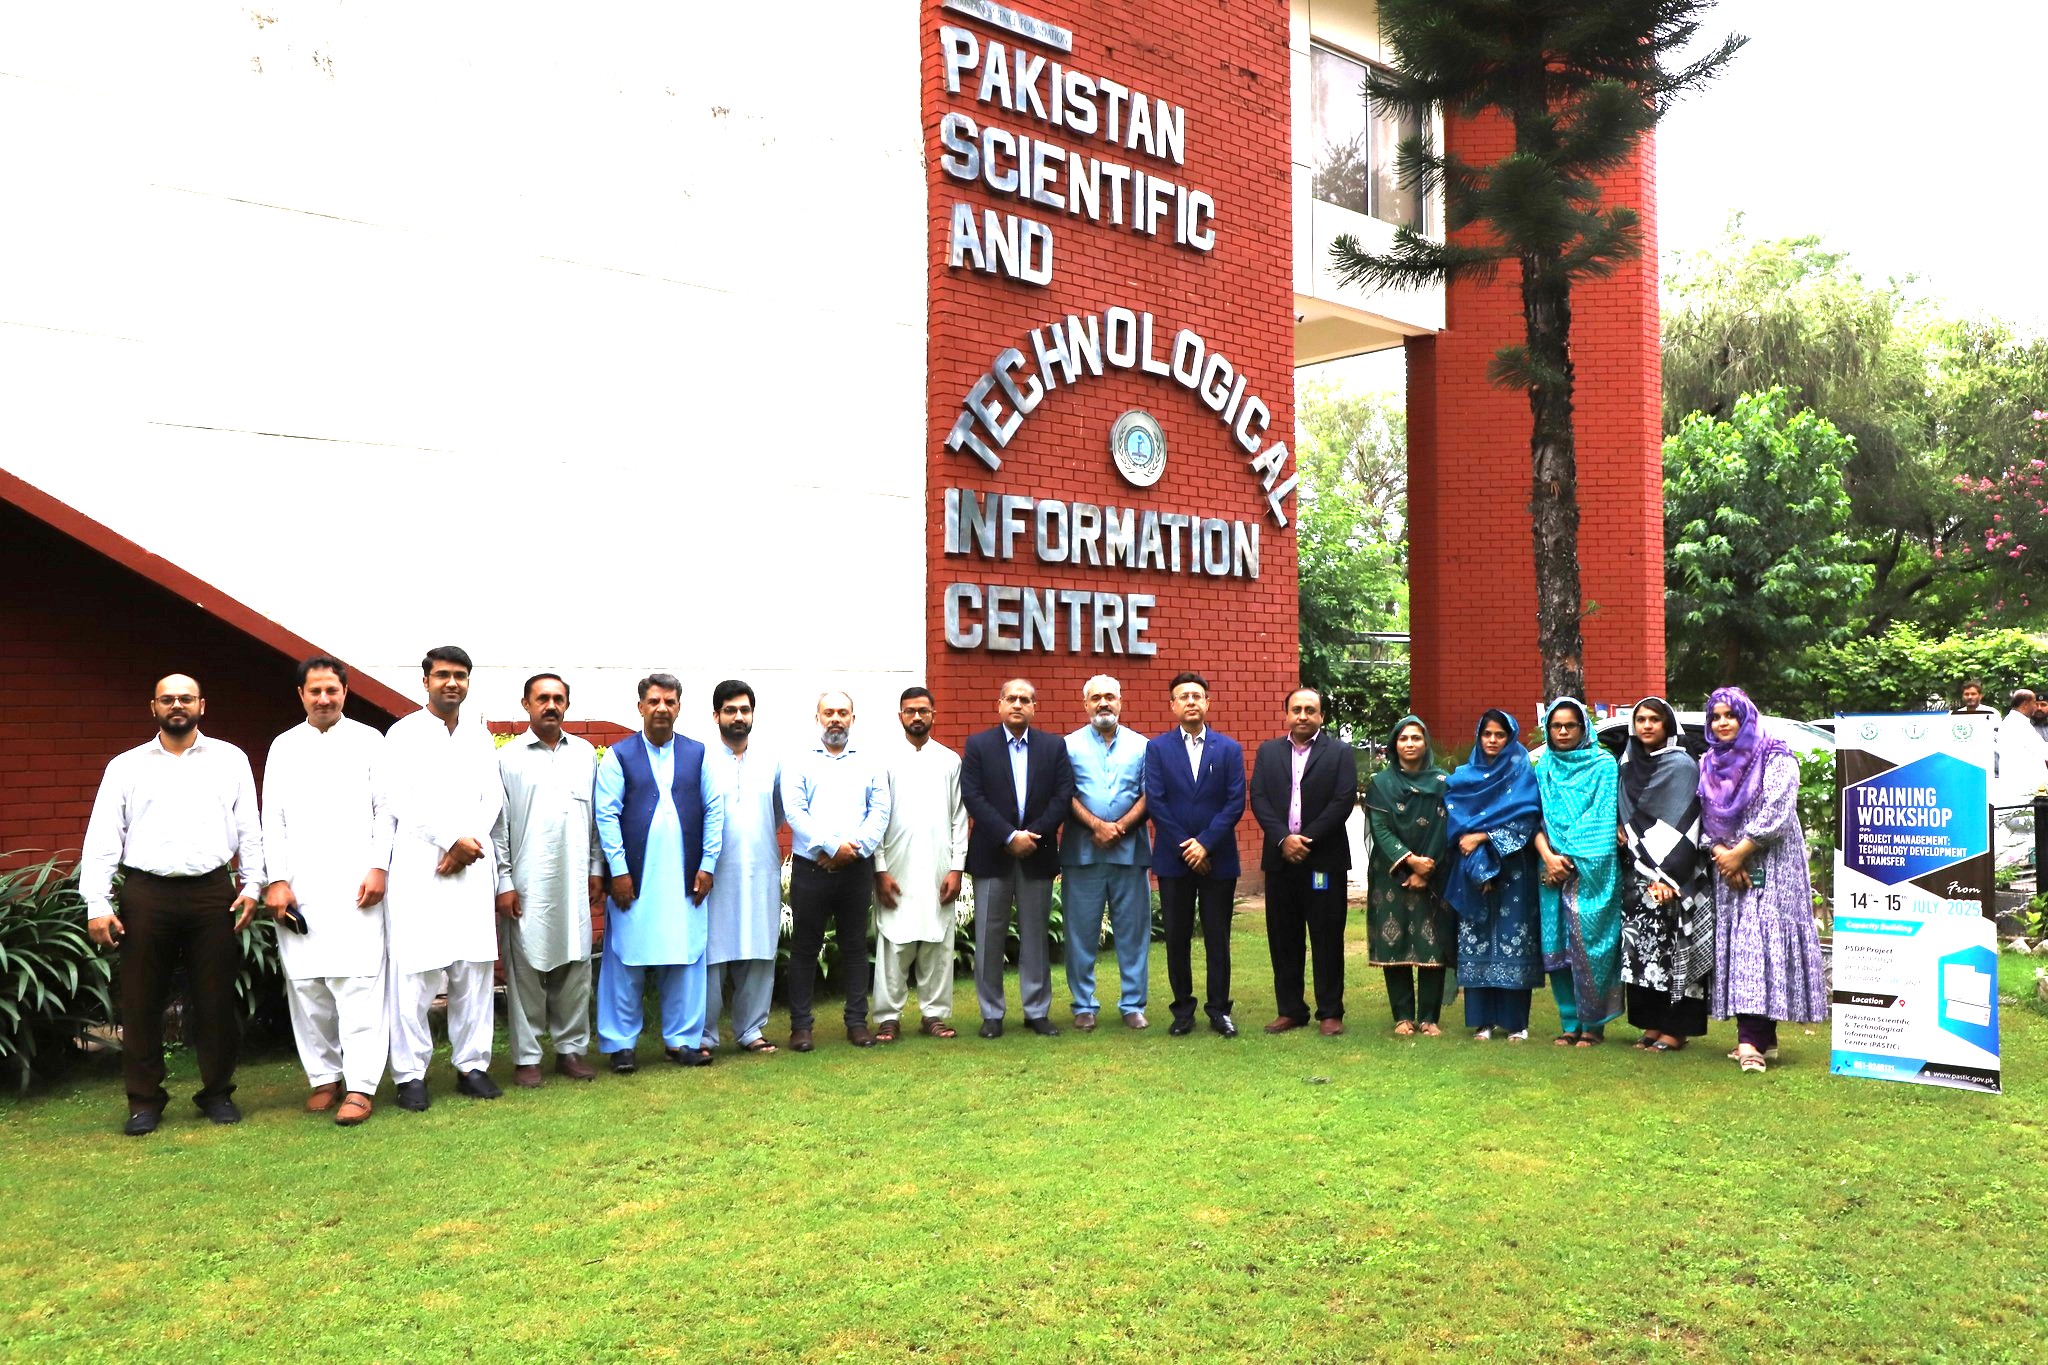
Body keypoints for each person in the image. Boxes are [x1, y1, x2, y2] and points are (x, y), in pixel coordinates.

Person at [81, 673, 264, 1135]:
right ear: (154, 707)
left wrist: (252, 886)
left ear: (203, 704)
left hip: (212, 893)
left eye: (185, 698)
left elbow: (249, 830)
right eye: (168, 699)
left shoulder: (230, 759)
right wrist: (97, 902)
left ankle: (217, 1094)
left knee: (216, 999)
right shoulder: (126, 766)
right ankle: (144, 1101)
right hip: (147, 892)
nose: (177, 705)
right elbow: (104, 837)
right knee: (141, 1001)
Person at [261, 657, 390, 1126]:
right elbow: (271, 817)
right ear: (301, 695)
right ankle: (323, 1076)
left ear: (344, 692)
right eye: (314, 691)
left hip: (358, 885)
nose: (323, 698)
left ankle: (360, 1086)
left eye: (331, 690)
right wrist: (276, 880)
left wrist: (378, 867)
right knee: (307, 986)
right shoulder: (284, 746)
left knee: (358, 984)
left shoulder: (369, 741)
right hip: (301, 886)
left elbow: (384, 811)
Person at [381, 646, 505, 1110]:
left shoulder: (478, 735)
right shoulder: (403, 734)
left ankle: (473, 1066)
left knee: (473, 970)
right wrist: (450, 838)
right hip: (421, 866)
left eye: (460, 676)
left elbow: (491, 797)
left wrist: (467, 842)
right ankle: (410, 1074)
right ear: (426, 681)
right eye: (443, 676)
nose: (451, 683)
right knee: (415, 972)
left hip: (471, 866)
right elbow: (399, 799)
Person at [594, 673, 723, 1071]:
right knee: (625, 957)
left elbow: (714, 810)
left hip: (686, 875)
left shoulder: (698, 754)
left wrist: (707, 864)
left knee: (685, 956)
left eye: (669, 702)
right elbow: (606, 814)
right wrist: (618, 871)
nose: (662, 709)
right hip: (636, 876)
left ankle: (682, 1041)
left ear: (679, 707)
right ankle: (621, 1045)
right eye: (654, 702)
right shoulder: (619, 756)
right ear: (641, 707)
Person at [1700, 686, 1828, 1073]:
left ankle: (1750, 1043)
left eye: (1730, 715)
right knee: (1744, 945)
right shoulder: (1709, 761)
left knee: (1760, 942)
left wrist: (1741, 850)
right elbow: (1703, 814)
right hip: (1729, 869)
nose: (1723, 723)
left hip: (1774, 864)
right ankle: (1762, 1037)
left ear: (1746, 716)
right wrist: (1722, 853)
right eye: (1716, 717)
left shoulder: (1775, 754)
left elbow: (1777, 807)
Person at [491, 672, 602, 1087]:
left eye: (558, 699)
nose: (550, 705)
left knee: (576, 967)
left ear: (567, 706)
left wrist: (596, 869)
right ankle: (526, 1056)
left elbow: (594, 822)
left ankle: (571, 1050)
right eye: (542, 699)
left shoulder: (585, 753)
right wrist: (503, 880)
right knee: (524, 971)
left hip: (574, 878)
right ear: (526, 705)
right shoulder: (507, 759)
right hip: (526, 882)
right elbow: (498, 826)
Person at [960, 678, 1074, 1038]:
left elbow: (1062, 795)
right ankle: (991, 1014)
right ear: (1000, 704)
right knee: (989, 937)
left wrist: (1031, 836)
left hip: (1036, 854)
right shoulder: (978, 745)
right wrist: (1009, 836)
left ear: (1034, 708)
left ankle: (1036, 1011)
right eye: (1011, 698)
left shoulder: (1053, 747)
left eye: (1025, 699)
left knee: (1036, 936)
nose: (1018, 704)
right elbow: (973, 796)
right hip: (993, 854)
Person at [780, 690, 891, 1052]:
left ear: (853, 719)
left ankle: (857, 1023)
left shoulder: (870, 761)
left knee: (856, 946)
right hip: (812, 868)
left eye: (843, 713)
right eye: (829, 712)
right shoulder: (798, 760)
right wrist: (831, 847)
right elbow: (795, 812)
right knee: (805, 948)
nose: (836, 719)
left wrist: (853, 849)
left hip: (856, 868)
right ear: (817, 717)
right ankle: (801, 1027)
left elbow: (880, 810)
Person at [1144, 671, 1246, 1038]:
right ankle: (1182, 1010)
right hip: (1174, 859)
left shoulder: (1229, 749)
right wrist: (1188, 846)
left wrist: (1205, 843)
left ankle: (1219, 1009)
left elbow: (1235, 802)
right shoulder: (1157, 749)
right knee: (1177, 935)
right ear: (1172, 705)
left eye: (1197, 695)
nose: (1190, 701)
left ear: (1207, 703)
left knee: (1217, 936)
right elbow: (1156, 801)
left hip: (1218, 858)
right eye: (1183, 696)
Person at [1250, 687, 1357, 1035]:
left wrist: (1305, 839)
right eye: (1296, 709)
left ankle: (1330, 1011)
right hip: (1281, 861)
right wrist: (1284, 839)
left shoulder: (1339, 753)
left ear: (1321, 717)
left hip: (1323, 859)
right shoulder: (1268, 753)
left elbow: (1343, 800)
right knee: (1283, 937)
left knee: (1327, 936)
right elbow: (1259, 799)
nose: (1302, 715)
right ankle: (1291, 1009)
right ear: (1286, 714)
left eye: (1310, 710)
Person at [871, 687, 969, 1040]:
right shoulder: (882, 761)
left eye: (923, 711)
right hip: (895, 865)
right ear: (900, 716)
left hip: (939, 866)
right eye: (910, 711)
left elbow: (959, 816)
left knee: (938, 943)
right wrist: (879, 868)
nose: (916, 717)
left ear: (933, 715)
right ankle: (887, 1017)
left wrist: (957, 867)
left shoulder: (949, 760)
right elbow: (877, 818)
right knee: (894, 942)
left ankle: (935, 1014)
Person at [1616, 697, 1712, 1053]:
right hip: (1637, 872)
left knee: (1674, 947)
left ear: (1668, 725)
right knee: (1642, 949)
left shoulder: (1683, 765)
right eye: (1640, 719)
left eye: (1654, 719)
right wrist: (1619, 826)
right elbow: (1625, 811)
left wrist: (1670, 876)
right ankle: (1651, 1024)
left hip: (1674, 874)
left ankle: (1677, 1028)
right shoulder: (1626, 765)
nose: (1646, 725)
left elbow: (1688, 821)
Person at [1443, 710, 1543, 1042]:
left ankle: (1516, 1023)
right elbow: (1456, 820)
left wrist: (1483, 837)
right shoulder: (1464, 777)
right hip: (1472, 870)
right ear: (1479, 736)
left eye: (1500, 735)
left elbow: (1527, 820)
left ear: (1510, 737)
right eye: (1487, 734)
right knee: (1477, 938)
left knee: (1514, 942)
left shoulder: (1521, 775)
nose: (1493, 741)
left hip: (1514, 870)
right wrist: (1473, 846)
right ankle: (1482, 1022)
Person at [1060, 674, 1152, 1030]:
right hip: (1083, 854)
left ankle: (1132, 1005)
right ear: (1085, 704)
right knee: (1080, 933)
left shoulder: (1143, 746)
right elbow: (1064, 794)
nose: (1103, 703)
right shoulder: (1066, 746)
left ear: (1121, 701)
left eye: (1110, 696)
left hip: (1130, 854)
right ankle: (1084, 1004)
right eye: (1096, 697)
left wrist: (1120, 827)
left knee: (1133, 933)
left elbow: (1149, 794)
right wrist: (1097, 826)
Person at [1531, 697, 1624, 1047]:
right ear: (1548, 730)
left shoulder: (1604, 764)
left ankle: (1593, 1025)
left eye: (1571, 725)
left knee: (1592, 947)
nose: (1564, 731)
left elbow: (1601, 817)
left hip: (1591, 867)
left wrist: (1564, 858)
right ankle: (1569, 1021)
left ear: (1584, 727)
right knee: (1557, 947)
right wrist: (1549, 859)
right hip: (1551, 867)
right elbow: (1536, 815)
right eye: (1556, 726)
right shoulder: (1544, 767)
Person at [702, 680, 784, 1054]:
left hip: (760, 867)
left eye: (745, 710)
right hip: (713, 875)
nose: (739, 717)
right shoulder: (700, 761)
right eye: (731, 710)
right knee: (710, 956)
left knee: (758, 951)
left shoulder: (772, 762)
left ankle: (751, 1029)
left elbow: (779, 813)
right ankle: (702, 1033)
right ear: (716, 715)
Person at [1363, 715, 1454, 1037]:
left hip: (1434, 872)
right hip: (1392, 873)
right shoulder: (1381, 784)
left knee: (1432, 942)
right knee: (1395, 939)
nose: (1410, 744)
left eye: (1416, 738)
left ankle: (1429, 1018)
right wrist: (1410, 862)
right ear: (1394, 745)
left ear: (1425, 742)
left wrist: (1426, 868)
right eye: (1403, 739)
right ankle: (1402, 1015)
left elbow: (1446, 826)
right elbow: (1380, 829)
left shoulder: (1443, 782)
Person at [1996, 689, 2045, 806]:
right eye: (2034, 702)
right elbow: (2043, 750)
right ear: (2025, 704)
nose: (2036, 706)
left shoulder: (2012, 722)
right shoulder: (2018, 725)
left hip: (2018, 787)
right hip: (2023, 788)